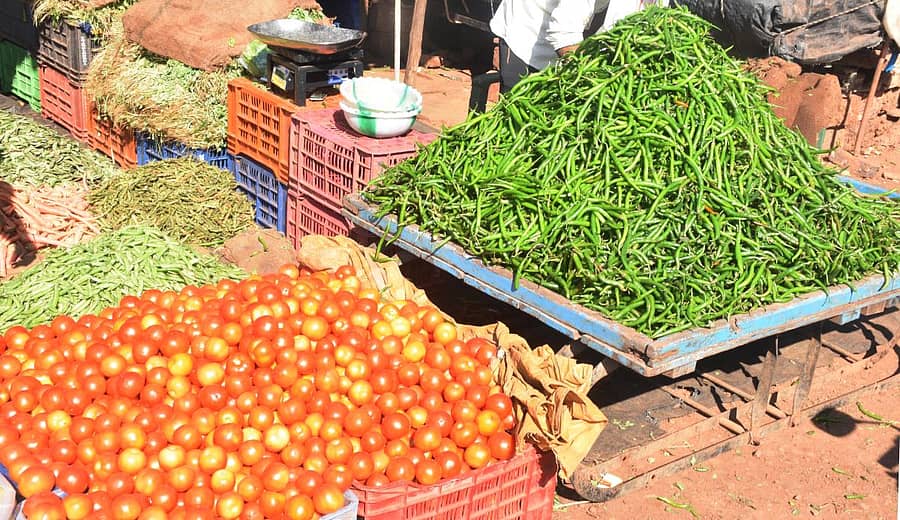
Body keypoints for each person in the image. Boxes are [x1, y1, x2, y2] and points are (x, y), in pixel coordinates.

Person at [490, 0, 668, 92]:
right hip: (528, 27)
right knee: (518, 110)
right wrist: (591, 80)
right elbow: (563, 34)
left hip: (570, 23)